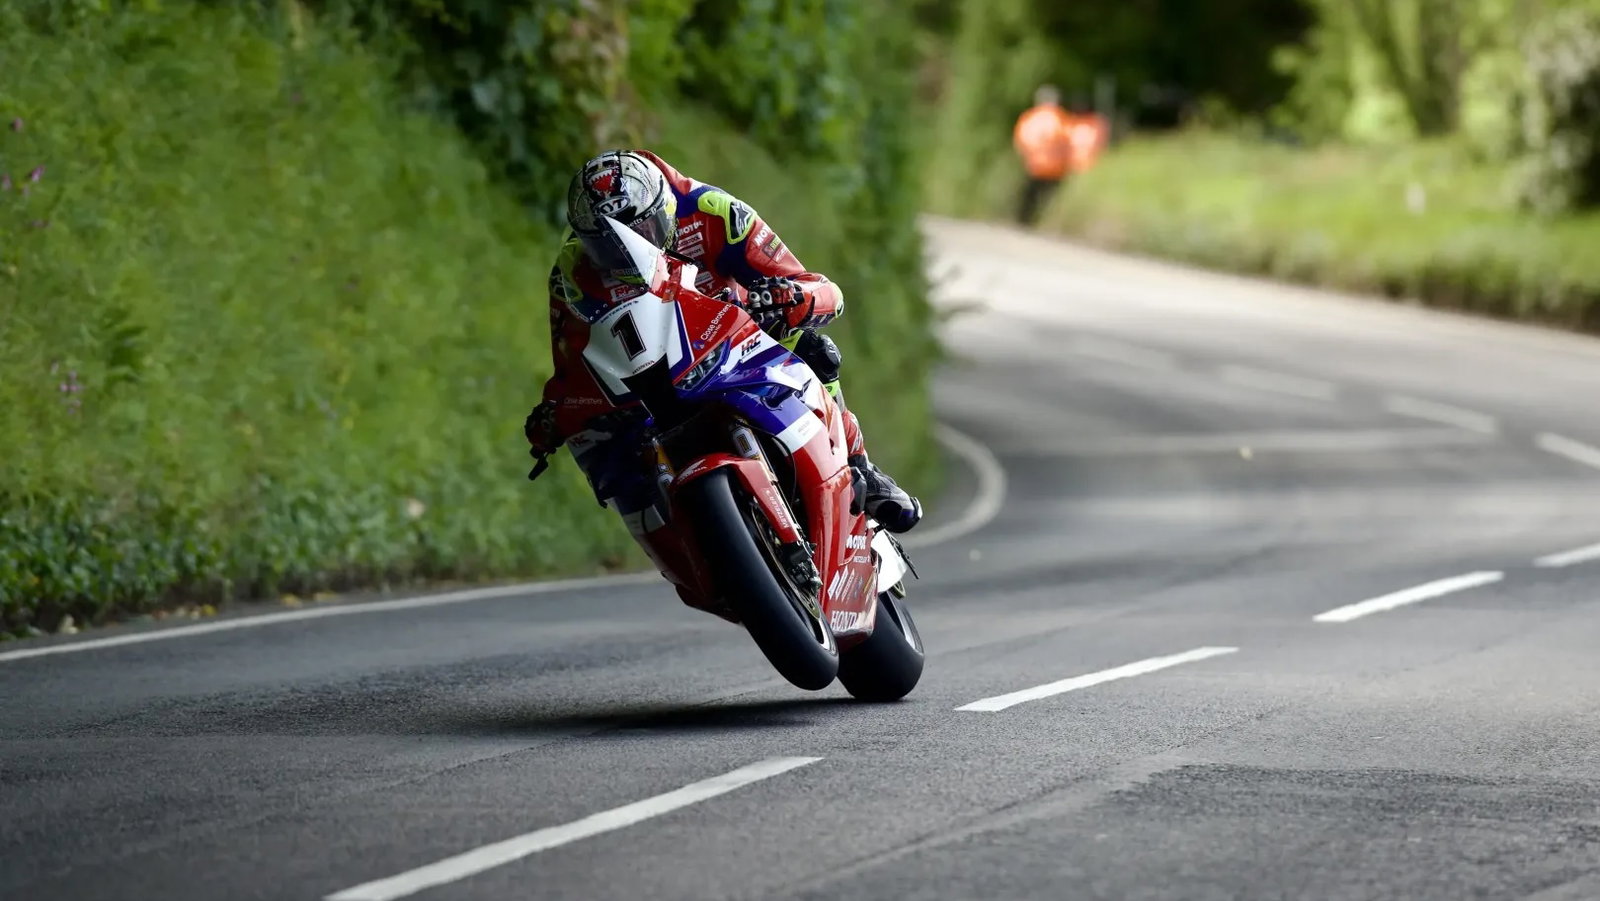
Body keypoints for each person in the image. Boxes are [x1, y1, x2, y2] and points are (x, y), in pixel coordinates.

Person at [523, 150, 922, 561]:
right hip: (651, 376)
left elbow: (812, 285)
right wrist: (556, 409)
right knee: (613, 454)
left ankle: (860, 465)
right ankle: (686, 551)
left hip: (735, 341)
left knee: (815, 349)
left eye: (640, 229)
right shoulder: (571, 273)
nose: (627, 250)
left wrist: (793, 298)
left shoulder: (713, 212)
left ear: (662, 208)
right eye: (607, 243)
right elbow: (569, 357)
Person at [1012, 84, 1074, 226]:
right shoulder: (1062, 119)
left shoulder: (1030, 117)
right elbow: (1069, 143)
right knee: (1049, 199)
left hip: (1033, 165)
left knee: (1029, 197)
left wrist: (1025, 157)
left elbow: (1021, 140)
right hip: (1056, 169)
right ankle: (1043, 222)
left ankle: (1023, 221)